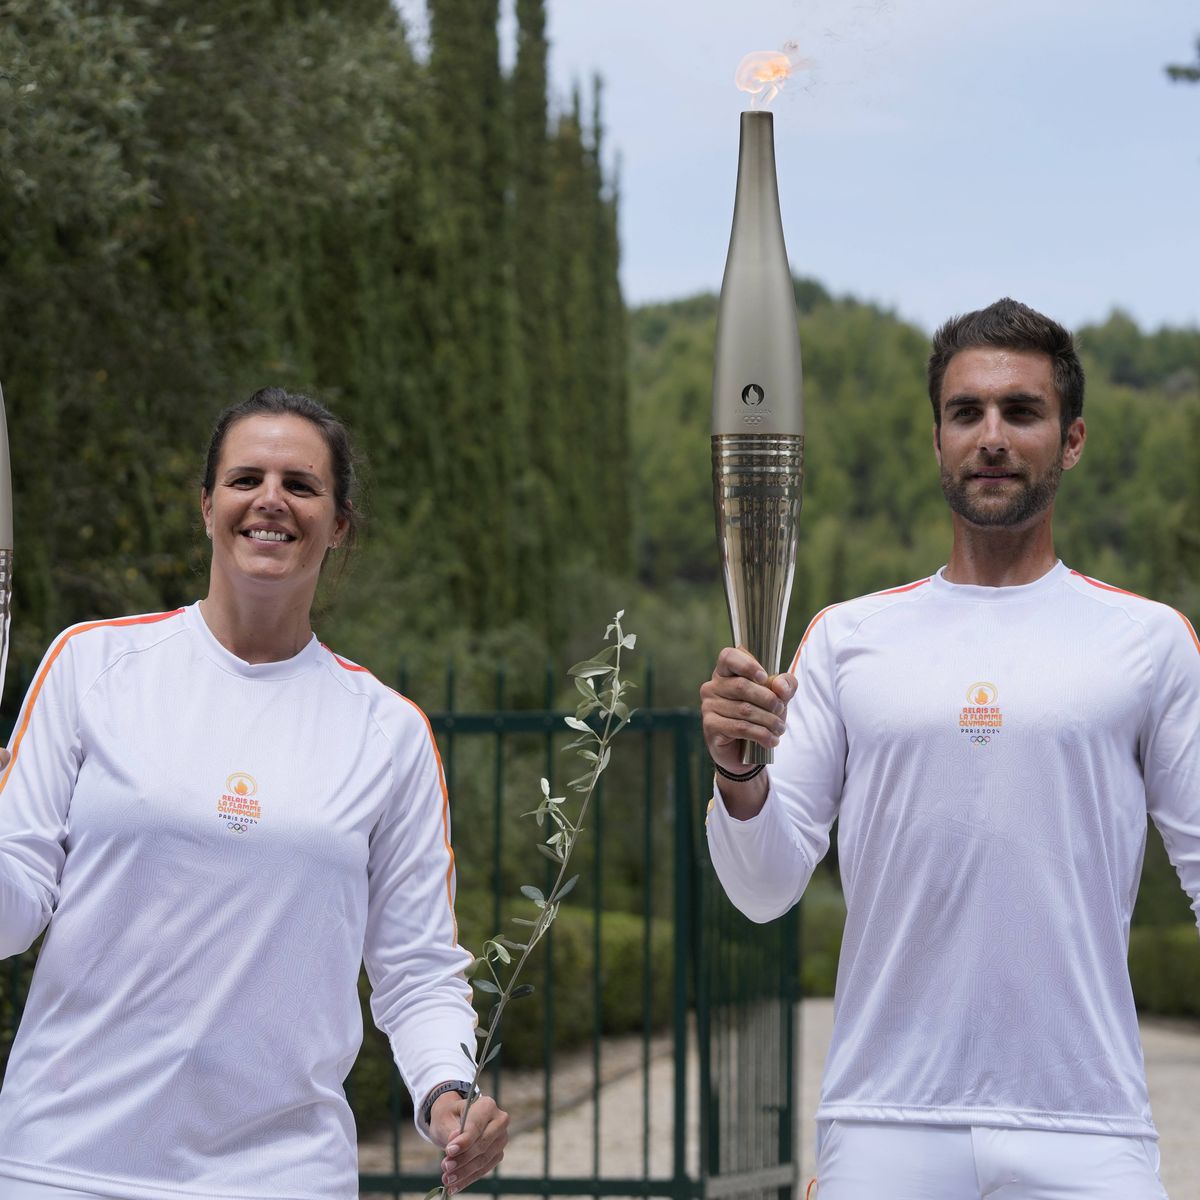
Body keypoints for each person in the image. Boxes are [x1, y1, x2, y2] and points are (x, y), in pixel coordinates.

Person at [700, 299, 1199, 1200]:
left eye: (1023, 411)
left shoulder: (1149, 642)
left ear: (1072, 438)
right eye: (966, 413)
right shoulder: (848, 639)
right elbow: (764, 888)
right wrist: (740, 775)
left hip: (1087, 1127)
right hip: (885, 1125)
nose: (992, 436)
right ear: (937, 440)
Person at [0, 389, 508, 1200]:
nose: (270, 499)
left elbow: (414, 967)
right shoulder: (89, 667)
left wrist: (449, 1089)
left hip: (282, 1177)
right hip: (62, 1165)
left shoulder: (388, 731)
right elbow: (15, 904)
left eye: (301, 485)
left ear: (339, 523)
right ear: (207, 506)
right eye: (245, 478)